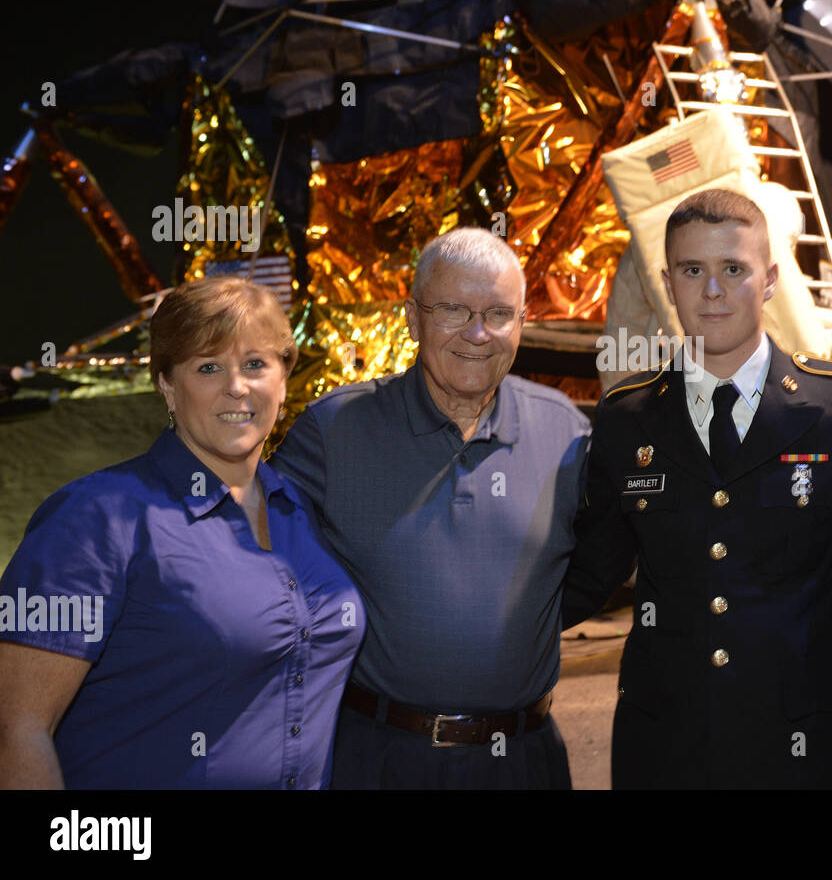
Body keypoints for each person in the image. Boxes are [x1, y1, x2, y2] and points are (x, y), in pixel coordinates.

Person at [564, 188, 832, 788]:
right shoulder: (626, 417)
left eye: (733, 270)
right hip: (665, 747)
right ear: (668, 282)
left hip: (801, 746)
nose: (712, 291)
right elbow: (591, 572)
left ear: (769, 280)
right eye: (693, 270)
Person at [0, 276, 364, 789]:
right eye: (208, 366)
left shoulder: (302, 510)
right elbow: (16, 729)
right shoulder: (93, 518)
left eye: (256, 364)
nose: (236, 386)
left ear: (285, 378)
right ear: (168, 385)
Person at [270, 227, 589, 790]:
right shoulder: (334, 432)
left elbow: (596, 567)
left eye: (498, 313)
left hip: (523, 763)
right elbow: (254, 567)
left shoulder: (564, 431)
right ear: (413, 318)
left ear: (521, 323)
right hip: (380, 759)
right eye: (452, 310)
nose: (477, 333)